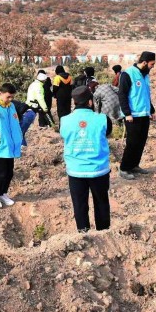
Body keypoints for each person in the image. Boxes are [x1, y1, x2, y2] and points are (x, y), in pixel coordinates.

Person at [61, 86, 113, 232]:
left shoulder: (64, 120)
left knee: (79, 204)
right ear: (90, 102)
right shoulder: (103, 119)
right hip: (99, 170)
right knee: (101, 202)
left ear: (74, 102)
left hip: (76, 171)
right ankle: (103, 232)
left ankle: (83, 232)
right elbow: (107, 133)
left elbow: (64, 136)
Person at [118, 51, 156, 180]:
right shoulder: (128, 74)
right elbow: (122, 94)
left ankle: (134, 165)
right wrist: (127, 113)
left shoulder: (145, 75)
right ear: (144, 62)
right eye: (152, 64)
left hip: (144, 114)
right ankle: (124, 168)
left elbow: (145, 95)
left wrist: (152, 110)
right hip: (132, 116)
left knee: (141, 141)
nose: (153, 66)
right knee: (132, 143)